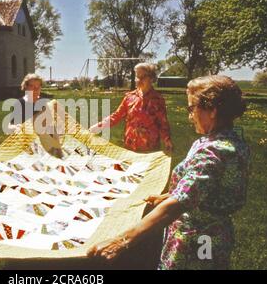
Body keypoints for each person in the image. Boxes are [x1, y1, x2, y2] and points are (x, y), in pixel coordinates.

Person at [88, 75, 250, 270]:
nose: (189, 116)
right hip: (215, 235)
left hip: (196, 241)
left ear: (213, 111)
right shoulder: (232, 140)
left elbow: (179, 203)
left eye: (192, 108)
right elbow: (205, 187)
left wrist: (122, 241)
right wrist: (168, 195)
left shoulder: (214, 151)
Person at [89, 63, 173, 153]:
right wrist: (99, 126)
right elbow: (116, 116)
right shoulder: (129, 97)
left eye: (142, 77)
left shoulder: (158, 99)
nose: (138, 80)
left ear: (151, 78)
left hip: (149, 148)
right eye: (137, 77)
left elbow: (163, 123)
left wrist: (167, 140)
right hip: (130, 146)